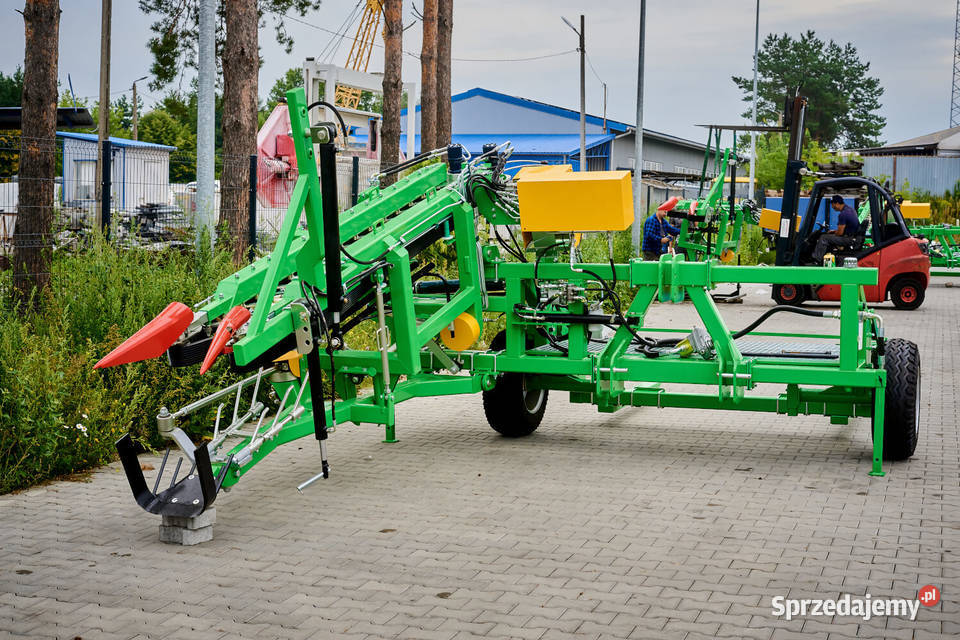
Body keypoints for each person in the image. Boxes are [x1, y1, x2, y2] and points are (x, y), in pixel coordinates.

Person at [813, 195, 861, 263]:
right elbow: (846, 228)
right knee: (829, 236)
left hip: (848, 239)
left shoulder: (843, 214)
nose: (832, 207)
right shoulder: (850, 210)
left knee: (824, 237)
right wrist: (834, 231)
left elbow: (840, 233)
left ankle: (816, 260)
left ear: (837, 203)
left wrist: (835, 232)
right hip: (852, 237)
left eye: (833, 205)